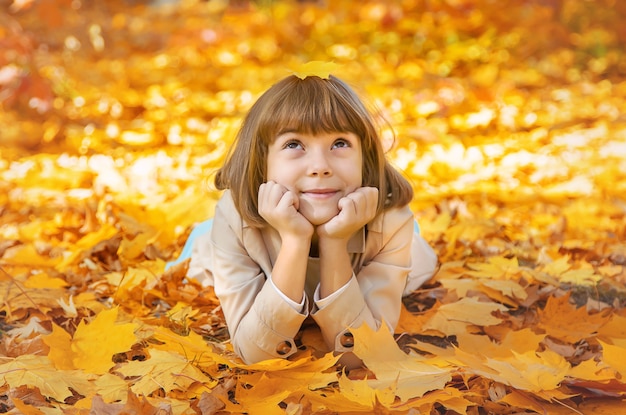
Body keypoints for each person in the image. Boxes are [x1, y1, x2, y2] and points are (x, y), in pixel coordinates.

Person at [170, 72, 438, 364]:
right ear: (262, 161)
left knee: (421, 259)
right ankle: (204, 232)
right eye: (294, 144)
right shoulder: (235, 217)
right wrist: (296, 240)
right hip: (229, 242)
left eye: (339, 143)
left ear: (366, 156)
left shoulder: (390, 222)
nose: (320, 167)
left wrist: (334, 241)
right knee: (200, 254)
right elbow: (255, 354)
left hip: (379, 237)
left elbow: (363, 357)